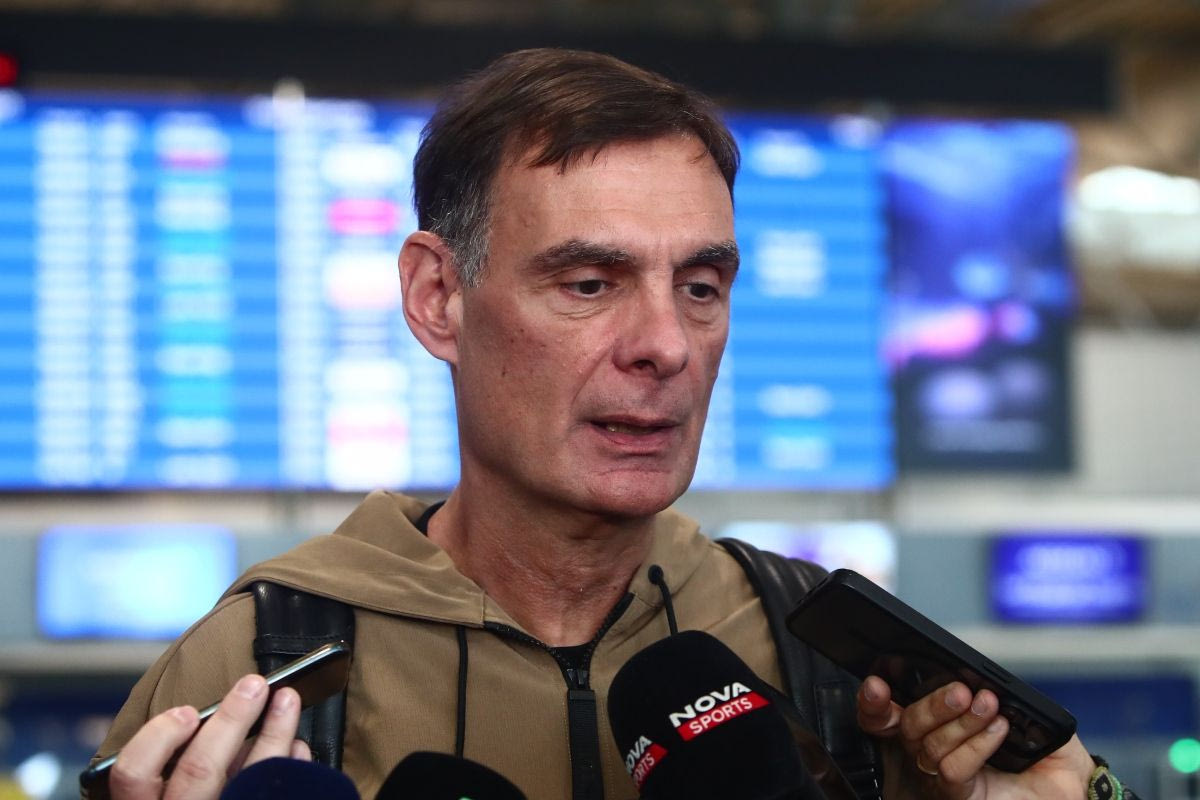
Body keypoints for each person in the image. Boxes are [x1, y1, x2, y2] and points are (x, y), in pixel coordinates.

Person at [94, 48, 1120, 800]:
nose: (666, 345)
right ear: (437, 298)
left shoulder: (838, 660)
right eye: (589, 283)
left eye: (701, 286)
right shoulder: (256, 663)